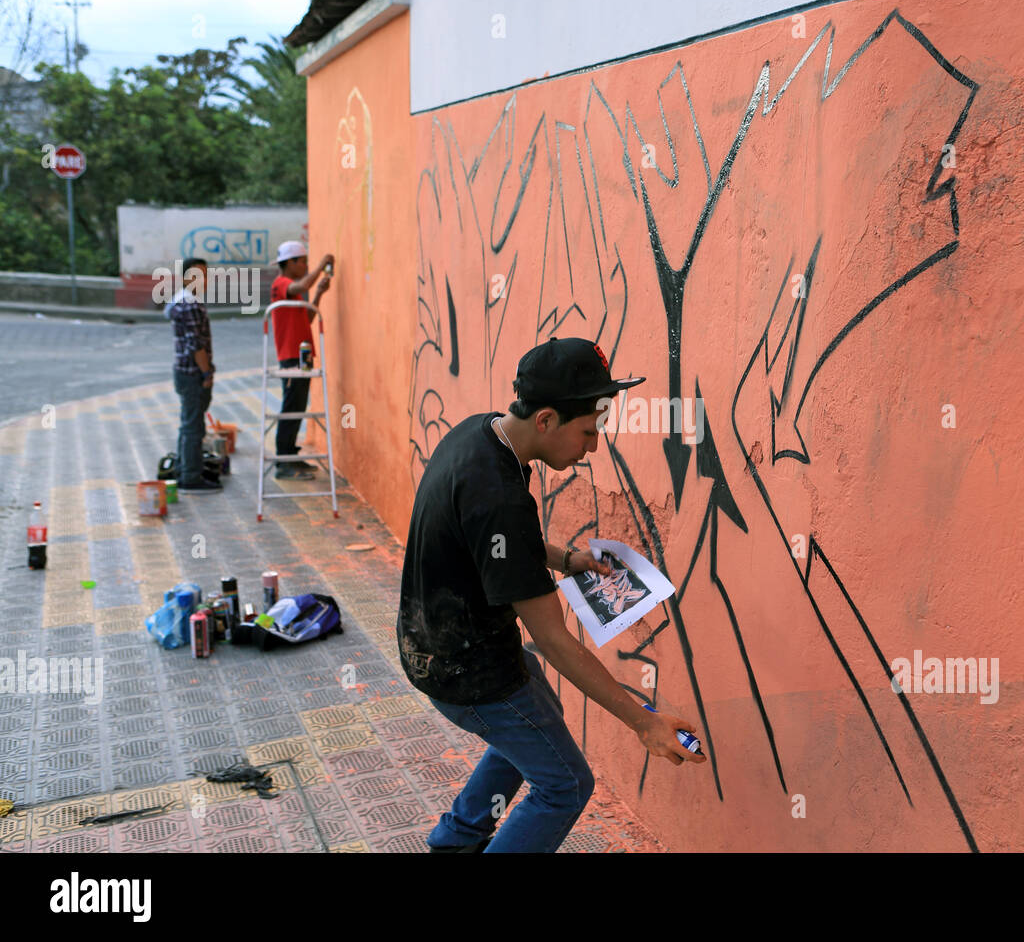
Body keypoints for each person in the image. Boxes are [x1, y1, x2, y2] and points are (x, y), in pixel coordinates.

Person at [397, 336, 707, 854]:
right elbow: (556, 641)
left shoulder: (483, 435)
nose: (592, 446)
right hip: (466, 669)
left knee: (538, 722)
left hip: (435, 645)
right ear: (545, 420)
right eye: (587, 432)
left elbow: (496, 541)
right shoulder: (500, 495)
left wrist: (567, 560)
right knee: (565, 784)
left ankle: (455, 840)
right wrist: (643, 723)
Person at [269, 240, 333, 481]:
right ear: (291, 263)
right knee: (290, 407)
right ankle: (283, 461)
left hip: (303, 354)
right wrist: (321, 266)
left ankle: (290, 454)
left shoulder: (296, 291)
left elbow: (307, 318)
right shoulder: (281, 285)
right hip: (290, 355)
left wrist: (317, 295)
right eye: (302, 262)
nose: (305, 266)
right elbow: (303, 283)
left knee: (297, 407)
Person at [167, 257, 220, 494]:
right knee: (193, 426)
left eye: (206, 275)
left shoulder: (183, 301)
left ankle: (184, 467)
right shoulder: (191, 305)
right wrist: (207, 372)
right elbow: (196, 345)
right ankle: (190, 476)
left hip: (183, 371)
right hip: (192, 373)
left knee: (188, 423)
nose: (204, 280)